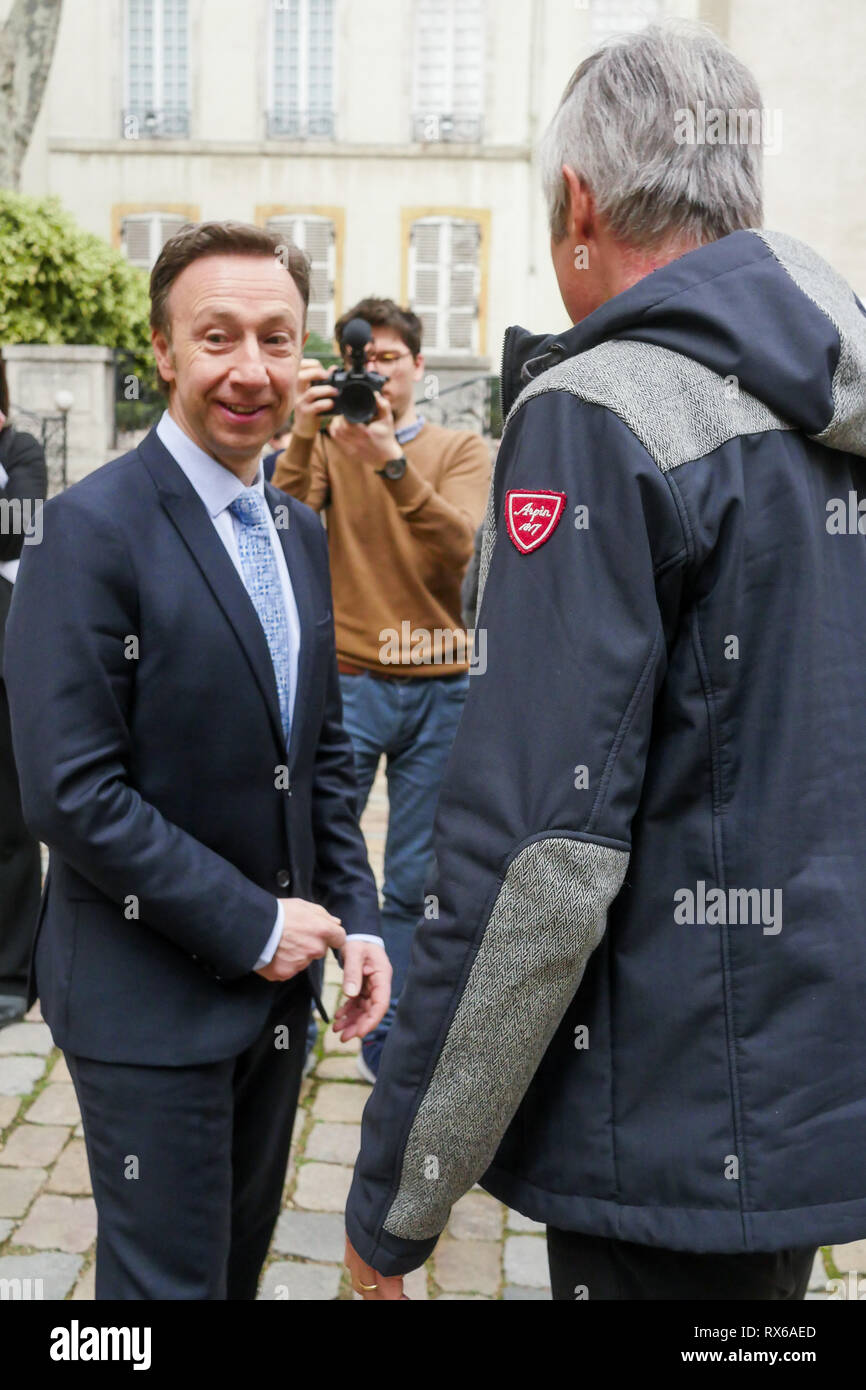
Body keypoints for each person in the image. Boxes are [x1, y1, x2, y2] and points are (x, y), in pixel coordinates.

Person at [343, 22, 866, 1300]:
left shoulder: (602, 409)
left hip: (664, 1125)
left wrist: (392, 1204)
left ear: (577, 204)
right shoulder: (823, 403)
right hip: (797, 1100)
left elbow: (536, 862)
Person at [4, 221, 390, 1300]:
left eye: (276, 338)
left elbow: (317, 749)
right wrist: (255, 923)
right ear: (164, 352)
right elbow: (71, 794)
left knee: (229, 1271)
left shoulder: (296, 529)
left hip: (271, 1002)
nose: (250, 369)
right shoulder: (87, 532)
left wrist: (352, 916)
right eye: (216, 337)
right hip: (146, 998)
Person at [273, 298, 490, 1081]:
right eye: (364, 361)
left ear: (418, 367)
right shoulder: (328, 445)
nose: (377, 373)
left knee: (414, 877)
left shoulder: (461, 447)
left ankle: (385, 1031)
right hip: (351, 682)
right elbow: (284, 521)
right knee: (314, 859)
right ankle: (291, 1030)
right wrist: (307, 431)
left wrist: (390, 464)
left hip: (441, 686)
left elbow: (462, 548)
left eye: (391, 359)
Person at [0, 362, 47, 1029]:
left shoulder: (20, 450)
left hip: (4, 660)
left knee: (10, 824)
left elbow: (22, 527)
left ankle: (12, 969)